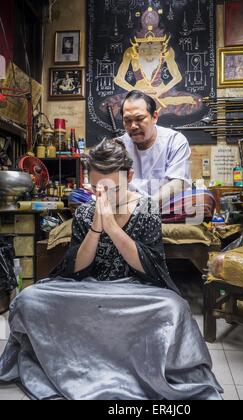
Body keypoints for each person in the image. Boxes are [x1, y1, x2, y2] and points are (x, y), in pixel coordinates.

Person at [0, 138, 222, 400]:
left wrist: (113, 228)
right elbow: (75, 270)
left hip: (133, 294)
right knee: (28, 299)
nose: (101, 197)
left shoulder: (146, 209)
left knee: (174, 308)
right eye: (95, 189)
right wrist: (96, 227)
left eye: (111, 189)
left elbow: (152, 270)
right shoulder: (85, 213)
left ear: (129, 176)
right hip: (88, 289)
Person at [120, 90, 191, 205]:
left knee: (203, 198)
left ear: (154, 117)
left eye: (139, 119)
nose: (133, 126)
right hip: (130, 206)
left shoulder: (175, 141)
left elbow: (178, 183)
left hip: (164, 204)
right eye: (127, 121)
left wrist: (148, 206)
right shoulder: (118, 146)